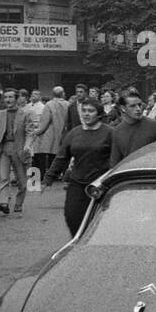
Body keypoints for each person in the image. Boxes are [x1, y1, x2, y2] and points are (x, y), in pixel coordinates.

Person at [45, 97, 113, 235]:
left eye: (91, 111)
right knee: (71, 216)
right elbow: (62, 157)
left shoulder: (110, 133)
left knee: (98, 218)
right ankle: (77, 242)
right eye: (84, 110)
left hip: (100, 183)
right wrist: (49, 177)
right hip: (77, 181)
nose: (86, 114)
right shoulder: (74, 133)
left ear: (99, 114)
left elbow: (118, 157)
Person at [0, 88, 31, 216]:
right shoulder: (0, 114)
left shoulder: (25, 113)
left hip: (20, 149)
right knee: (4, 177)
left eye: (11, 97)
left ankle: (18, 203)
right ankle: (3, 203)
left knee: (22, 182)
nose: (8, 100)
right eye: (6, 97)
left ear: (17, 99)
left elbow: (30, 132)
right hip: (4, 149)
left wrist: (27, 145)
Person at [109, 91, 156, 165]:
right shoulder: (117, 131)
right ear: (123, 108)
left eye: (139, 105)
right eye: (133, 106)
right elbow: (115, 162)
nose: (138, 109)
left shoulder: (154, 126)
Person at [32, 87, 68, 179]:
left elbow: (44, 122)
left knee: (43, 153)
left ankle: (44, 175)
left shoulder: (49, 105)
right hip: (64, 132)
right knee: (61, 154)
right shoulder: (68, 104)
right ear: (63, 94)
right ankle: (61, 174)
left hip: (51, 133)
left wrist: (36, 132)